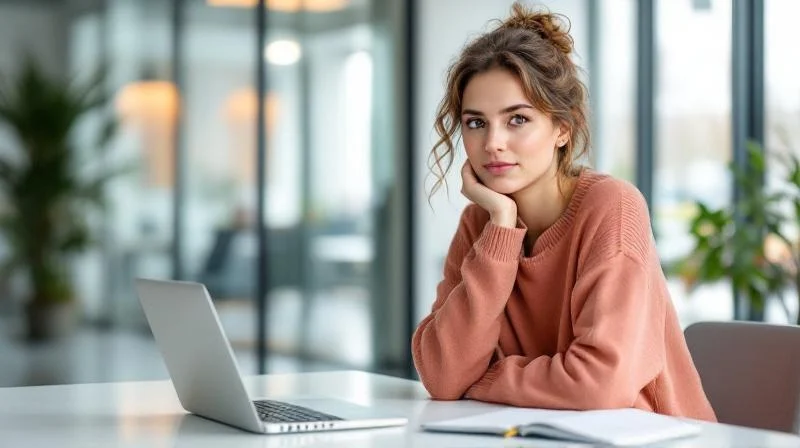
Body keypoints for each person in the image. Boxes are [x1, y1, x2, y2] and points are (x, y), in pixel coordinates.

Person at [411, 3, 716, 422]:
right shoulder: (481, 222)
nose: (493, 143)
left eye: (517, 119)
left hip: (649, 436)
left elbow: (599, 384)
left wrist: (482, 379)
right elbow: (443, 376)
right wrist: (501, 226)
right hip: (538, 432)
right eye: (476, 123)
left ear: (562, 128)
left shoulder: (612, 207)